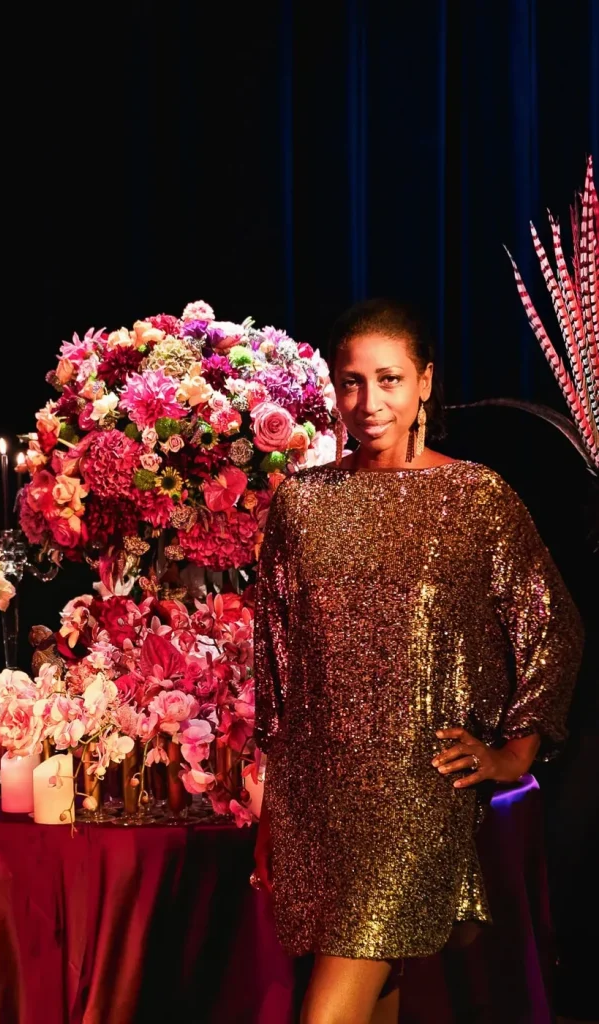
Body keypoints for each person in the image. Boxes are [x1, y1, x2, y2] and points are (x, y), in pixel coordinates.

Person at [251, 299, 584, 1024]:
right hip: (316, 793)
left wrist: (513, 752)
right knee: (376, 988)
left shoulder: (472, 497)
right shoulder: (302, 503)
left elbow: (552, 628)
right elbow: (278, 659)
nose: (368, 403)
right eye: (350, 382)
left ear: (425, 383)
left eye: (389, 379)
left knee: (329, 1007)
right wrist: (274, 805)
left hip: (416, 790)